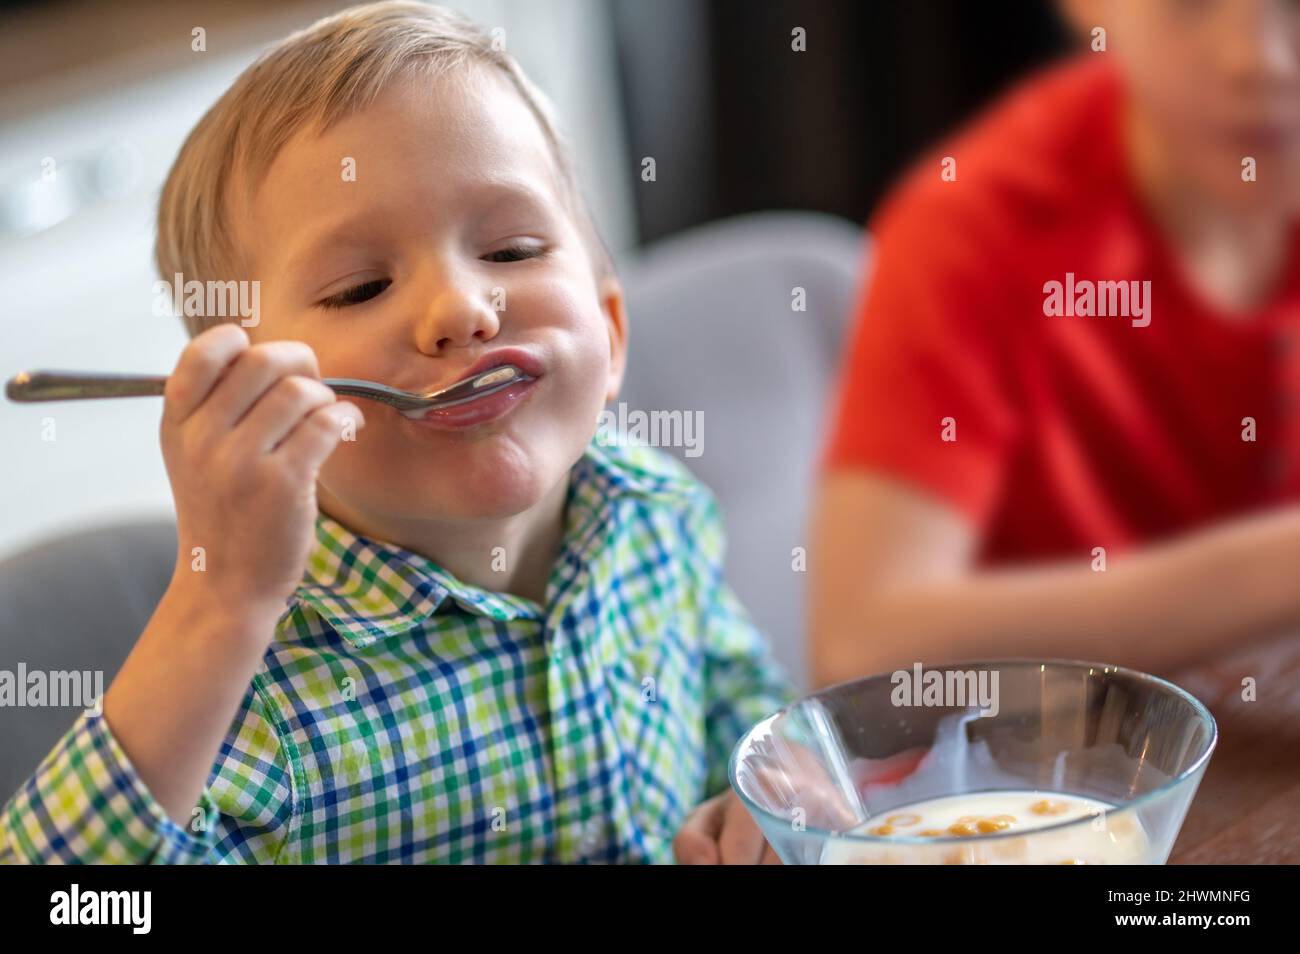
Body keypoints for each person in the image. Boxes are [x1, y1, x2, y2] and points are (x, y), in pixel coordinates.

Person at [0, 1, 793, 864]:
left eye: (513, 249)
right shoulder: (252, 698)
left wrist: (764, 796)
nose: (458, 309)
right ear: (254, 403)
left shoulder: (656, 514)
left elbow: (742, 705)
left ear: (609, 332)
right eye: (358, 289)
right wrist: (219, 602)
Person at [812, 0, 1300, 686]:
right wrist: (1277, 572)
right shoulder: (970, 230)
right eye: (1190, 7)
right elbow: (861, 645)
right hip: (1036, 764)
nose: (1260, 60)